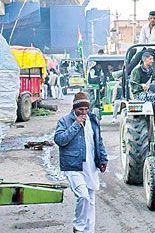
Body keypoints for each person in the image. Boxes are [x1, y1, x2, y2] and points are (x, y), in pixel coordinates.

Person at [54, 92, 107, 233]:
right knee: (83, 196)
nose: (83, 112)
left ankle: (89, 231)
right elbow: (60, 140)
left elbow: (98, 142)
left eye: (86, 109)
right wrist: (76, 125)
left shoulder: (93, 120)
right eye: (80, 109)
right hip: (73, 166)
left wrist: (103, 158)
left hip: (91, 167)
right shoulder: (64, 121)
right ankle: (78, 228)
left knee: (90, 201)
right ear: (74, 108)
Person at [131, 51, 155, 137]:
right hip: (139, 94)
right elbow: (134, 84)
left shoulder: (151, 70)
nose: (152, 61)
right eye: (150, 59)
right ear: (144, 60)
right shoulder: (137, 71)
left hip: (149, 92)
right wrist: (141, 86)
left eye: (152, 59)